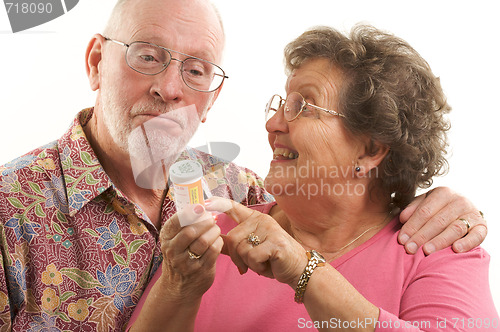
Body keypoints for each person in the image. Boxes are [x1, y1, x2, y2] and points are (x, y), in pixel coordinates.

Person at [0, 0, 487, 330]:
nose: (170, 89)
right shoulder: (10, 207)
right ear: (95, 63)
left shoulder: (237, 195)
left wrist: (452, 204)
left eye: (195, 71)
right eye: (147, 56)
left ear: (211, 97)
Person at [127, 24, 498, 331]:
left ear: (370, 150)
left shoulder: (437, 249)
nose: (273, 125)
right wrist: (178, 286)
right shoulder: (216, 237)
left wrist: (305, 269)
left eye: (302, 107)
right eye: (280, 105)